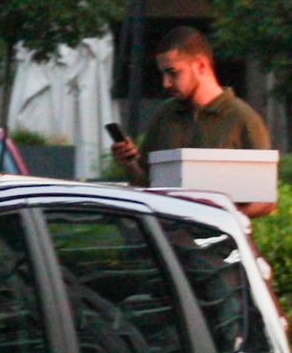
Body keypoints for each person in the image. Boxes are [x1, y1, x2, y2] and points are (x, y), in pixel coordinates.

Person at [111, 27, 274, 214]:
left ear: (201, 65)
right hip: (169, 237)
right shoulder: (166, 113)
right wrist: (129, 163)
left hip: (218, 238)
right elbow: (147, 185)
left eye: (173, 73)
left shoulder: (242, 118)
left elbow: (266, 201)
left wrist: (218, 219)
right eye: (163, 74)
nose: (166, 83)